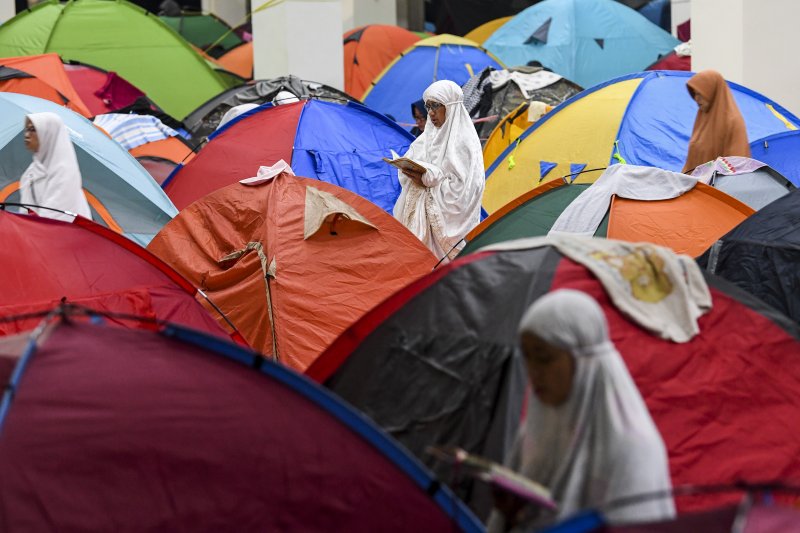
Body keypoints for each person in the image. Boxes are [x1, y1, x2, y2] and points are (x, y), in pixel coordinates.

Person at [493, 290, 675, 530]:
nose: (534, 371)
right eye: (527, 358)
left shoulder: (632, 450)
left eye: (544, 358)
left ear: (584, 360)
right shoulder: (534, 435)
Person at [393, 80, 484, 262]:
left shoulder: (464, 143)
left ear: (450, 106)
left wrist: (428, 178)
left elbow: (465, 192)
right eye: (428, 107)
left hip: (449, 228)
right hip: (420, 222)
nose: (431, 113)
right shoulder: (426, 138)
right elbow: (410, 166)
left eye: (436, 106)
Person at [20, 112, 92, 223]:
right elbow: (26, 212)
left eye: (33, 130)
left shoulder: (64, 171)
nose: (27, 135)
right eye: (27, 130)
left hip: (69, 236)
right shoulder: (31, 172)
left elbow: (54, 217)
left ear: (48, 134)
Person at [682, 70, 751, 173]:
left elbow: (737, 165)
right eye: (695, 94)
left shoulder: (733, 122)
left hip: (720, 187)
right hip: (698, 185)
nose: (696, 99)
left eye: (700, 94)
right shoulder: (702, 117)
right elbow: (691, 163)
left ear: (711, 92)